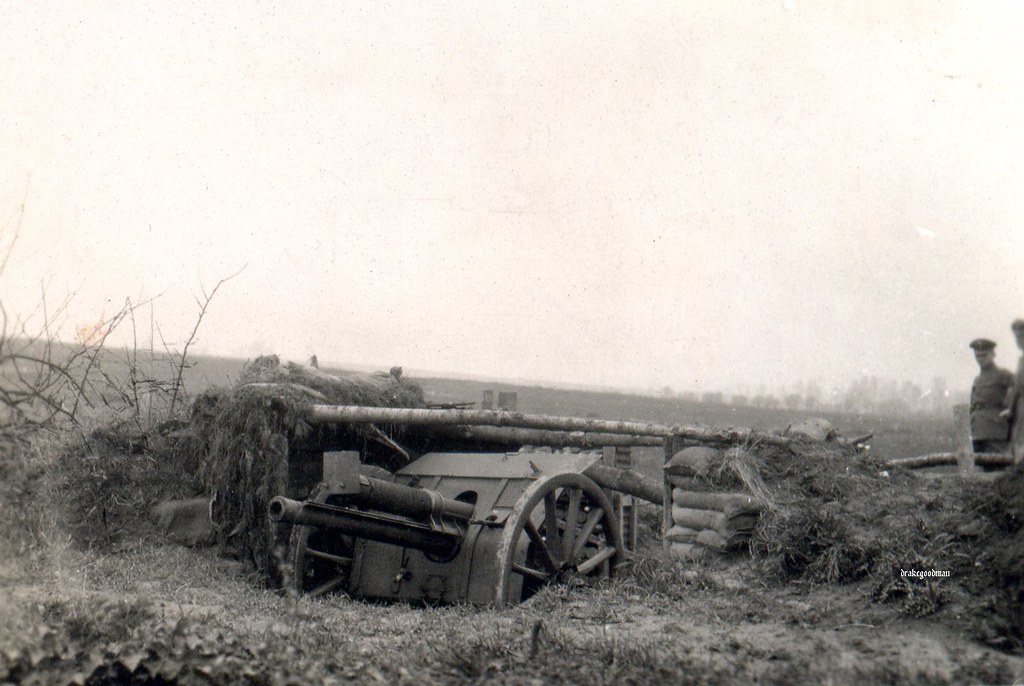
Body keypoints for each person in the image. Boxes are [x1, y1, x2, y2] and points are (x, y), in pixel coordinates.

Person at [968, 338, 1014, 453]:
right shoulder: (977, 380)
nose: (981, 359)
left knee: (999, 465)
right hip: (977, 431)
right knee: (979, 468)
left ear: (993, 354)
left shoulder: (1003, 374)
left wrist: (1011, 408)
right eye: (978, 356)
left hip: (995, 430)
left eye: (984, 355)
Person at [1001, 320, 1024, 461]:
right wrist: (1010, 409)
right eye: (1017, 337)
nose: (1019, 341)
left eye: (1022, 337)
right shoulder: (1021, 361)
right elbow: (1016, 389)